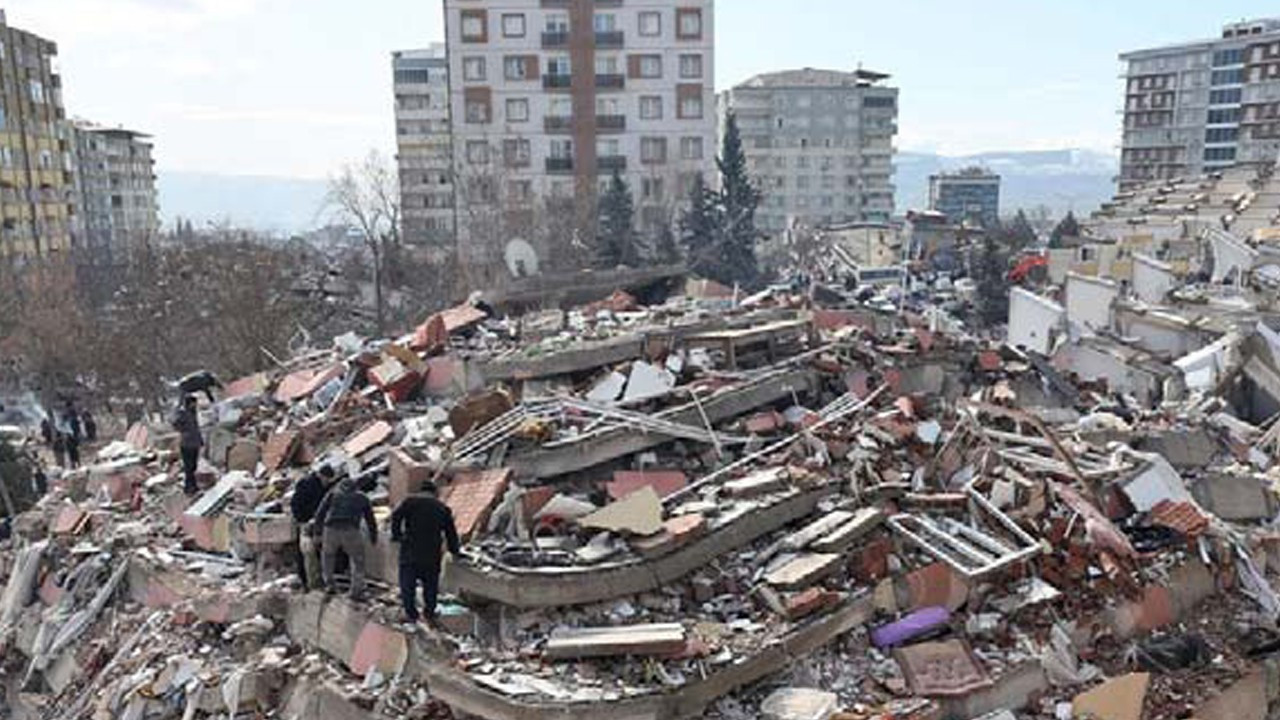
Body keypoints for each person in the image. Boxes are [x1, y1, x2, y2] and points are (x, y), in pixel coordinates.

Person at [390, 481, 461, 627]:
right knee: (430, 585)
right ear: (435, 493)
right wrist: (455, 550)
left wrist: (397, 535)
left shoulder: (410, 502)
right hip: (431, 552)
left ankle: (411, 614)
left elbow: (396, 516)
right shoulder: (442, 508)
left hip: (410, 550)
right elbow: (451, 533)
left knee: (407, 584)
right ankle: (429, 613)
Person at [313, 478, 377, 599]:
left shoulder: (332, 494)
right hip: (351, 530)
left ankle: (330, 585)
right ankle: (356, 590)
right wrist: (373, 536)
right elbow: (370, 518)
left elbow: (320, 514)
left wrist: (317, 533)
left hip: (331, 530)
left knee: (328, 557)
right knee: (357, 560)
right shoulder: (362, 497)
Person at [290, 465, 335, 590]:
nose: (327, 482)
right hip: (306, 522)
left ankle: (317, 580)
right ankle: (307, 581)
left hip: (318, 522)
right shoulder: (307, 485)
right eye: (327, 479)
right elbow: (296, 504)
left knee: (317, 552)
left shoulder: (322, 487)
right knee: (307, 552)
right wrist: (303, 519)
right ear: (321, 476)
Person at [172, 395, 203, 495]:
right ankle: (188, 487)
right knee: (188, 467)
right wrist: (184, 431)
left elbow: (196, 429)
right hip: (186, 444)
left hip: (194, 443)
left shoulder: (193, 414)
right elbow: (175, 423)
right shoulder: (183, 414)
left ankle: (193, 486)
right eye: (194, 403)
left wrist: (200, 442)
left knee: (193, 466)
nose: (195, 405)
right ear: (189, 404)